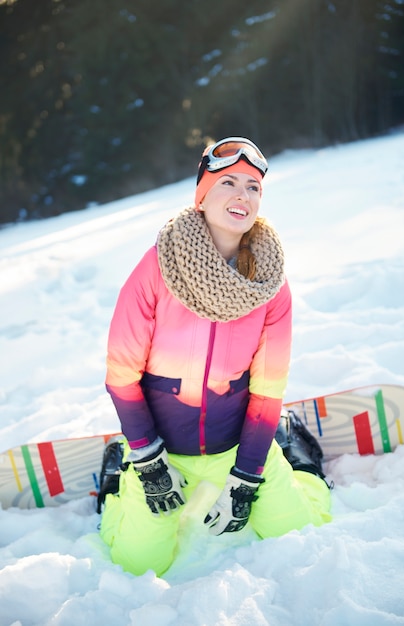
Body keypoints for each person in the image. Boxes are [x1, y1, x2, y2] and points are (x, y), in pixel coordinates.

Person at [99, 137, 332, 577]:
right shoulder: (156, 267)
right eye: (229, 182)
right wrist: (148, 460)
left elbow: (267, 389)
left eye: (253, 187)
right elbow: (121, 374)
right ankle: (116, 480)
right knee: (135, 564)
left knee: (304, 531)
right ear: (203, 194)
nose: (242, 195)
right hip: (165, 450)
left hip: (236, 446)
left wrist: (247, 476)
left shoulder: (270, 284)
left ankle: (297, 459)